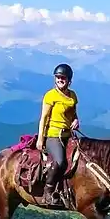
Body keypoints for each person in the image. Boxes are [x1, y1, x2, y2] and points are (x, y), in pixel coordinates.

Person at [36, 63, 80, 206]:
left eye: (63, 77)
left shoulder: (72, 95)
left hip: (68, 134)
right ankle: (47, 193)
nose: (60, 79)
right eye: (58, 77)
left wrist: (76, 120)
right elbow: (43, 118)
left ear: (69, 80)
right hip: (53, 135)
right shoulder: (50, 96)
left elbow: (73, 113)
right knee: (60, 161)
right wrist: (41, 139)